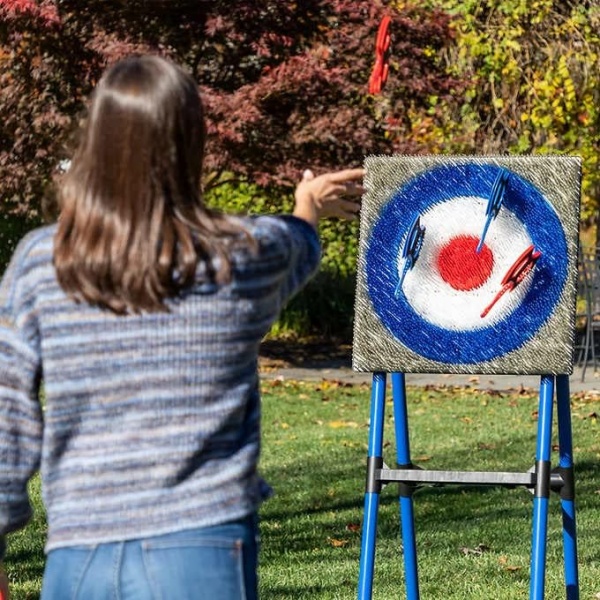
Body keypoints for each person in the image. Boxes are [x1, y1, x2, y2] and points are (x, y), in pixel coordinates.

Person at [0, 55, 363, 599]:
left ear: (95, 140)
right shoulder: (242, 256)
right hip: (201, 547)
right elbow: (299, 243)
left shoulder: (41, 262)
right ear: (188, 142)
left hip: (81, 550)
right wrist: (307, 203)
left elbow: (7, 415)